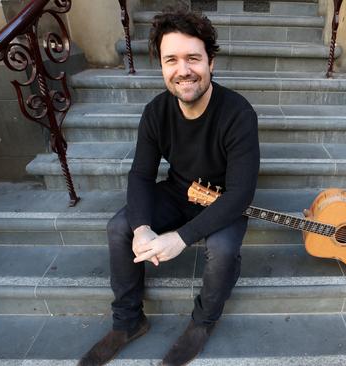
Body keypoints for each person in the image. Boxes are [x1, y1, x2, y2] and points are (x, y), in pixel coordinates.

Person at [78, 7, 260, 366]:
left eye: (193, 58)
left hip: (225, 201)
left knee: (222, 250)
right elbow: (141, 176)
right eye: (171, 60)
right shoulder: (156, 112)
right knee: (120, 226)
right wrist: (143, 228)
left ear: (211, 62)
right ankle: (128, 321)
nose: (183, 70)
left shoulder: (238, 114)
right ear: (161, 66)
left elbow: (241, 195)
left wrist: (179, 238)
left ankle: (202, 324)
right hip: (178, 192)